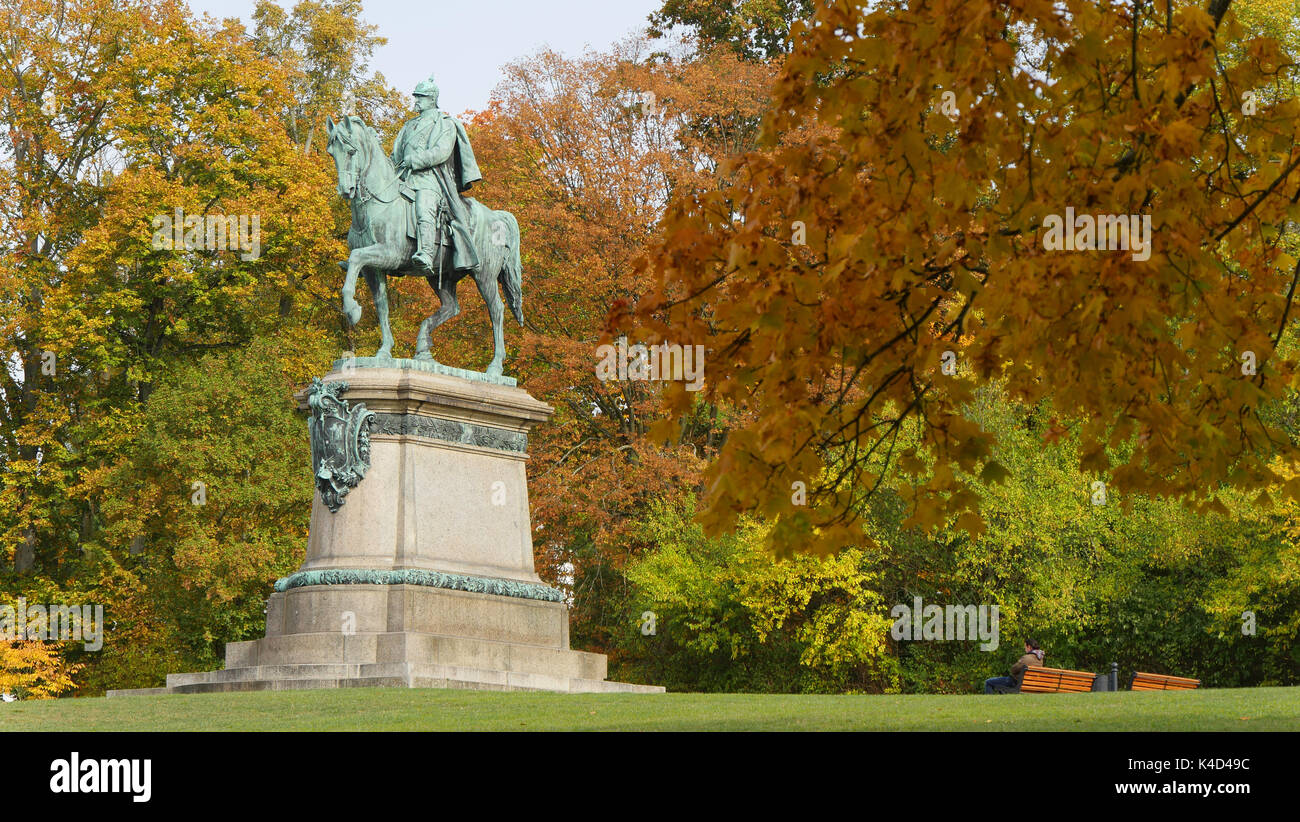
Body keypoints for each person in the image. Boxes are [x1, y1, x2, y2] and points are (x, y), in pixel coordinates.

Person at [390, 73, 482, 275]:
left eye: (420, 97)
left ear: (432, 99)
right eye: (416, 97)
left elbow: (441, 151)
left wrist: (416, 160)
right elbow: (395, 154)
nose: (416, 101)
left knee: (424, 207)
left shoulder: (444, 123)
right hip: (404, 177)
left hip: (430, 178)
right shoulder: (408, 126)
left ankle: (426, 253)